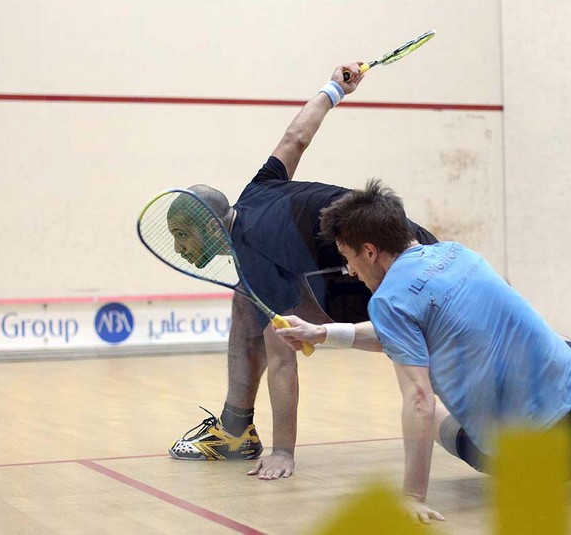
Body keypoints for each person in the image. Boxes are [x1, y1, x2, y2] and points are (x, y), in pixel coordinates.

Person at [274, 179, 571, 523]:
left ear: (370, 251)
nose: (350, 270)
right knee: (567, 349)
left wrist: (411, 496)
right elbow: (400, 330)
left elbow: (419, 400)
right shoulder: (457, 254)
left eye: (349, 258)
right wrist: (323, 333)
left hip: (536, 466)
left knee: (438, 414)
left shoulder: (390, 300)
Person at [167, 62, 439, 480]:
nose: (178, 249)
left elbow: (282, 360)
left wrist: (283, 453)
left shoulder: (255, 254)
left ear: (212, 225)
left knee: (439, 360)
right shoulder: (258, 189)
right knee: (247, 302)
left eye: (183, 235)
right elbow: (296, 138)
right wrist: (335, 88)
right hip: (410, 249)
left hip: (400, 273)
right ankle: (235, 429)